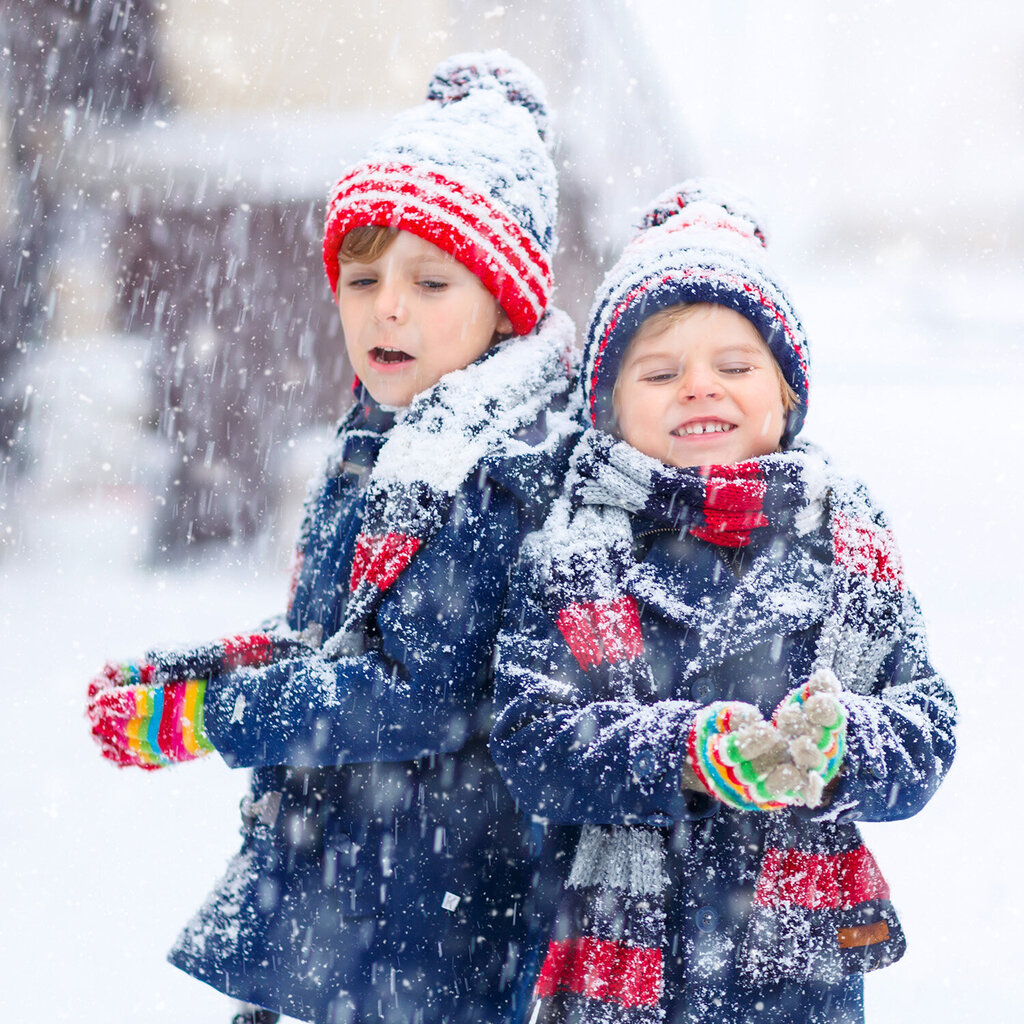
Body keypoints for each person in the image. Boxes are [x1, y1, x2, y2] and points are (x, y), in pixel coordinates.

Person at [88, 51, 579, 1024]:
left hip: (432, 925)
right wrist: (192, 671)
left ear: (505, 305)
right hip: (346, 898)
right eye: (363, 279)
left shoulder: (496, 471)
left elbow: (409, 695)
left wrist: (209, 717)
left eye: (431, 282)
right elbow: (330, 639)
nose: (386, 307)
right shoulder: (384, 445)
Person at [489, 181, 957, 1024]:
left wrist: (845, 744)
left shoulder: (845, 538)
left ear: (786, 396)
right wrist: (683, 751)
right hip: (620, 965)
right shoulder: (572, 550)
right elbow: (533, 741)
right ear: (609, 407)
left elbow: (926, 722)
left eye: (736, 367)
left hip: (795, 968)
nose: (700, 388)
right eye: (661, 371)